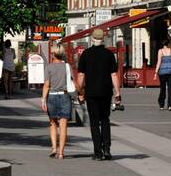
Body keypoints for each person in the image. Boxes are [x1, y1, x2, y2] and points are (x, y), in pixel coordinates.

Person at [75, 28, 121, 161]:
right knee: (105, 120)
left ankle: (97, 152)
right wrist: (117, 93)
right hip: (106, 92)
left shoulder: (86, 54)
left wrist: (80, 92)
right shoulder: (109, 54)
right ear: (103, 39)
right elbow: (114, 75)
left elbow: (81, 75)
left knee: (94, 122)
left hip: (91, 93)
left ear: (92, 39)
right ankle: (107, 149)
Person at [41, 43, 71, 159]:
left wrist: (43, 100)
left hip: (52, 97)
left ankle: (54, 148)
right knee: (63, 125)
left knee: (52, 123)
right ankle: (61, 153)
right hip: (64, 96)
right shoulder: (67, 66)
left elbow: (46, 85)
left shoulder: (48, 67)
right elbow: (71, 82)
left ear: (53, 53)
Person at [155, 39, 171, 111]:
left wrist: (156, 73)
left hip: (162, 72)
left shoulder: (160, 51)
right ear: (168, 44)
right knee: (170, 89)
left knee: (162, 88)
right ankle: (170, 106)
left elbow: (159, 62)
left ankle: (161, 104)